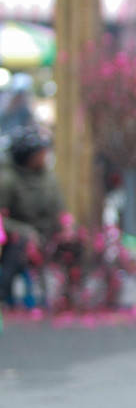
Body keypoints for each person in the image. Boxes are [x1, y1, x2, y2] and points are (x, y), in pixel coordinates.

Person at [0, 125, 66, 305]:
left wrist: (65, 226)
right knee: (19, 246)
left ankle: (70, 293)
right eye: (41, 153)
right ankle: (4, 293)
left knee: (75, 244)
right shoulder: (8, 179)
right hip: (17, 236)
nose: (45, 156)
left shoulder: (49, 178)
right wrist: (24, 231)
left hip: (46, 233)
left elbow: (59, 209)